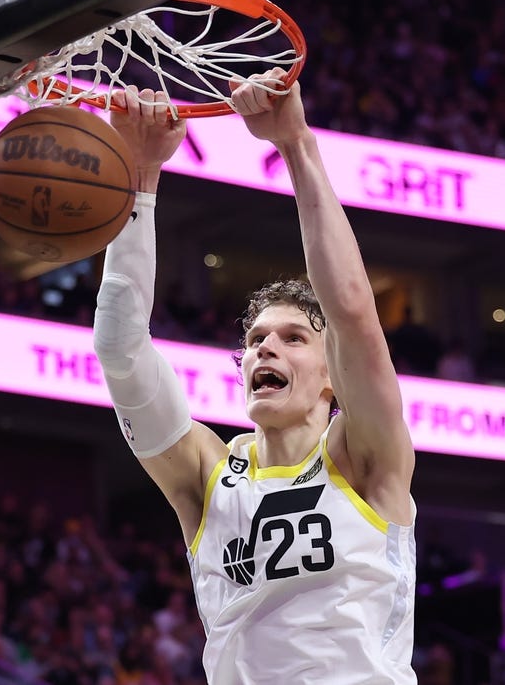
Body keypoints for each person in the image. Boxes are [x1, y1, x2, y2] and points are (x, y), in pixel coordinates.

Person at [94, 70, 417, 683]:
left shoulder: (363, 455)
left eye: (294, 339)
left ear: (331, 379)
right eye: (255, 340)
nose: (266, 348)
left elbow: (351, 310)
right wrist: (140, 181)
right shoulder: (209, 477)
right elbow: (121, 349)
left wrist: (295, 143)